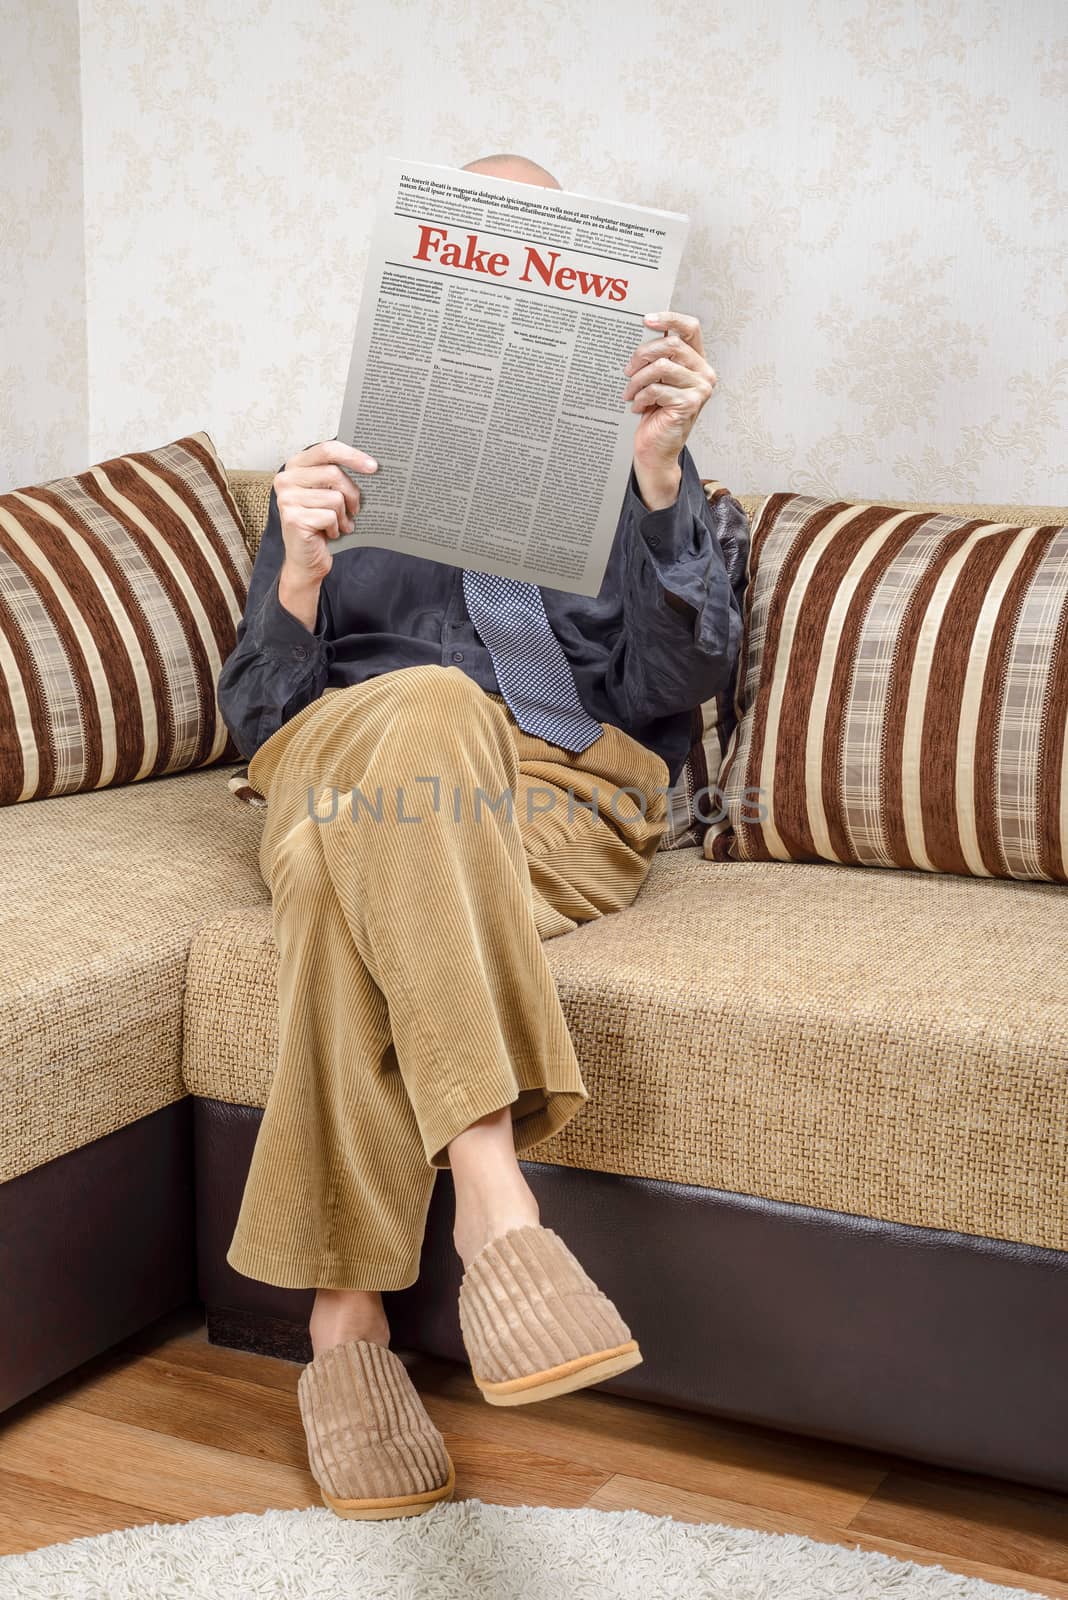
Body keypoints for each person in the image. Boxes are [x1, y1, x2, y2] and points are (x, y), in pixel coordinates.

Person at [216, 152, 750, 1521]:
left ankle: (344, 1331)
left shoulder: (656, 482)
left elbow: (673, 689)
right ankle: (496, 1199)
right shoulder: (333, 485)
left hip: (560, 804)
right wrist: (297, 573)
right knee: (427, 707)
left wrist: (657, 470)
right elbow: (262, 720)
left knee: (358, 901)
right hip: (353, 771)